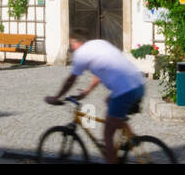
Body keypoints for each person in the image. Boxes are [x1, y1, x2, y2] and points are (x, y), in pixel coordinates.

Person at [45, 28, 145, 163]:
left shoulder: (81, 54)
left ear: (76, 42)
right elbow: (98, 73)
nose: (72, 48)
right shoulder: (99, 43)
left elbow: (71, 80)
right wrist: (87, 91)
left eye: (72, 44)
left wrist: (56, 97)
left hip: (125, 90)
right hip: (139, 83)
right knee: (109, 102)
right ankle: (130, 137)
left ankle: (115, 154)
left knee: (107, 134)